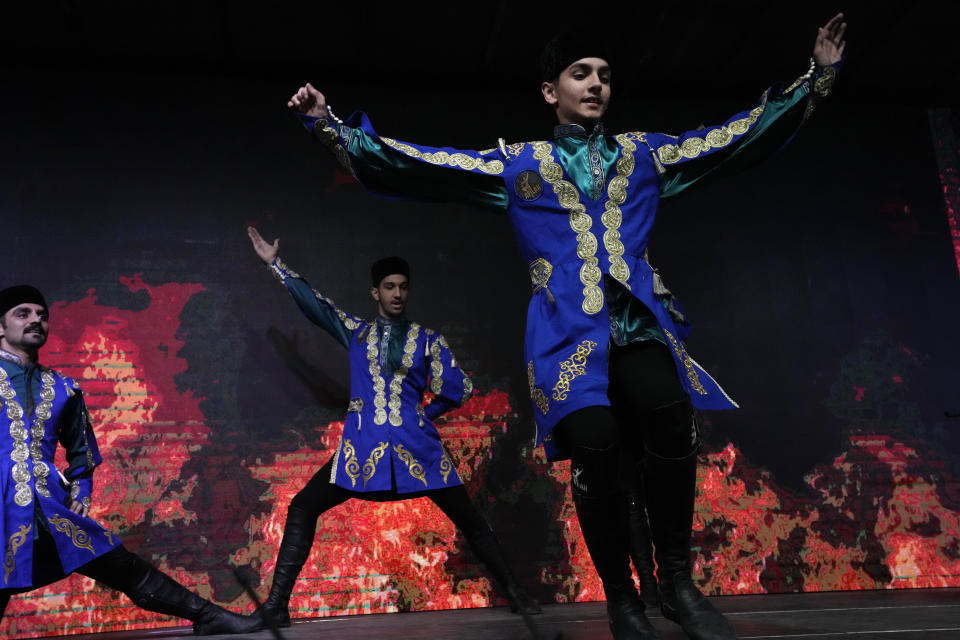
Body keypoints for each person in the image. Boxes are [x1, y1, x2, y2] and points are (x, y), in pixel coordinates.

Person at [283, 14, 846, 640]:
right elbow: (424, 164)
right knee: (598, 446)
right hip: (563, 337)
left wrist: (814, 79)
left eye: (605, 75)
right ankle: (623, 600)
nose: (596, 84)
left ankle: (679, 584)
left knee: (670, 413)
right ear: (551, 90)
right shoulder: (521, 165)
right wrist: (329, 126)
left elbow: (732, 138)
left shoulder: (644, 155)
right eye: (581, 74)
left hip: (635, 323)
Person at [232, 227, 540, 633]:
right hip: (364, 451)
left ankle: (515, 594)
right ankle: (276, 607)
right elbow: (318, 306)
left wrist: (423, 416)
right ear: (375, 293)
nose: (397, 294)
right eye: (389, 287)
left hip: (417, 449)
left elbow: (460, 387)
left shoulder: (428, 340)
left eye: (403, 287)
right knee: (303, 506)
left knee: (470, 519)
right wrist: (276, 264)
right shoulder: (358, 332)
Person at [0, 285, 250, 635]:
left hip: (49, 507)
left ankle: (208, 616)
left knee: (121, 565)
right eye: (23, 314)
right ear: (0, 327)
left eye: (42, 315)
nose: (36, 321)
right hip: (1, 508)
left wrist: (82, 491)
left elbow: (81, 450)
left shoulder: (63, 387)